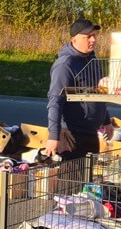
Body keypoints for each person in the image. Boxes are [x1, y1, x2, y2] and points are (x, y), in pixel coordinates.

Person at [44, 19, 114, 159]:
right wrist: (53, 136)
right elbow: (55, 101)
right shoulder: (65, 65)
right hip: (71, 136)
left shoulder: (92, 61)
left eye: (95, 35)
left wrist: (106, 121)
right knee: (70, 180)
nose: (93, 40)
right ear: (74, 39)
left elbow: (97, 93)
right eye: (88, 36)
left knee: (87, 180)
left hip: (91, 134)